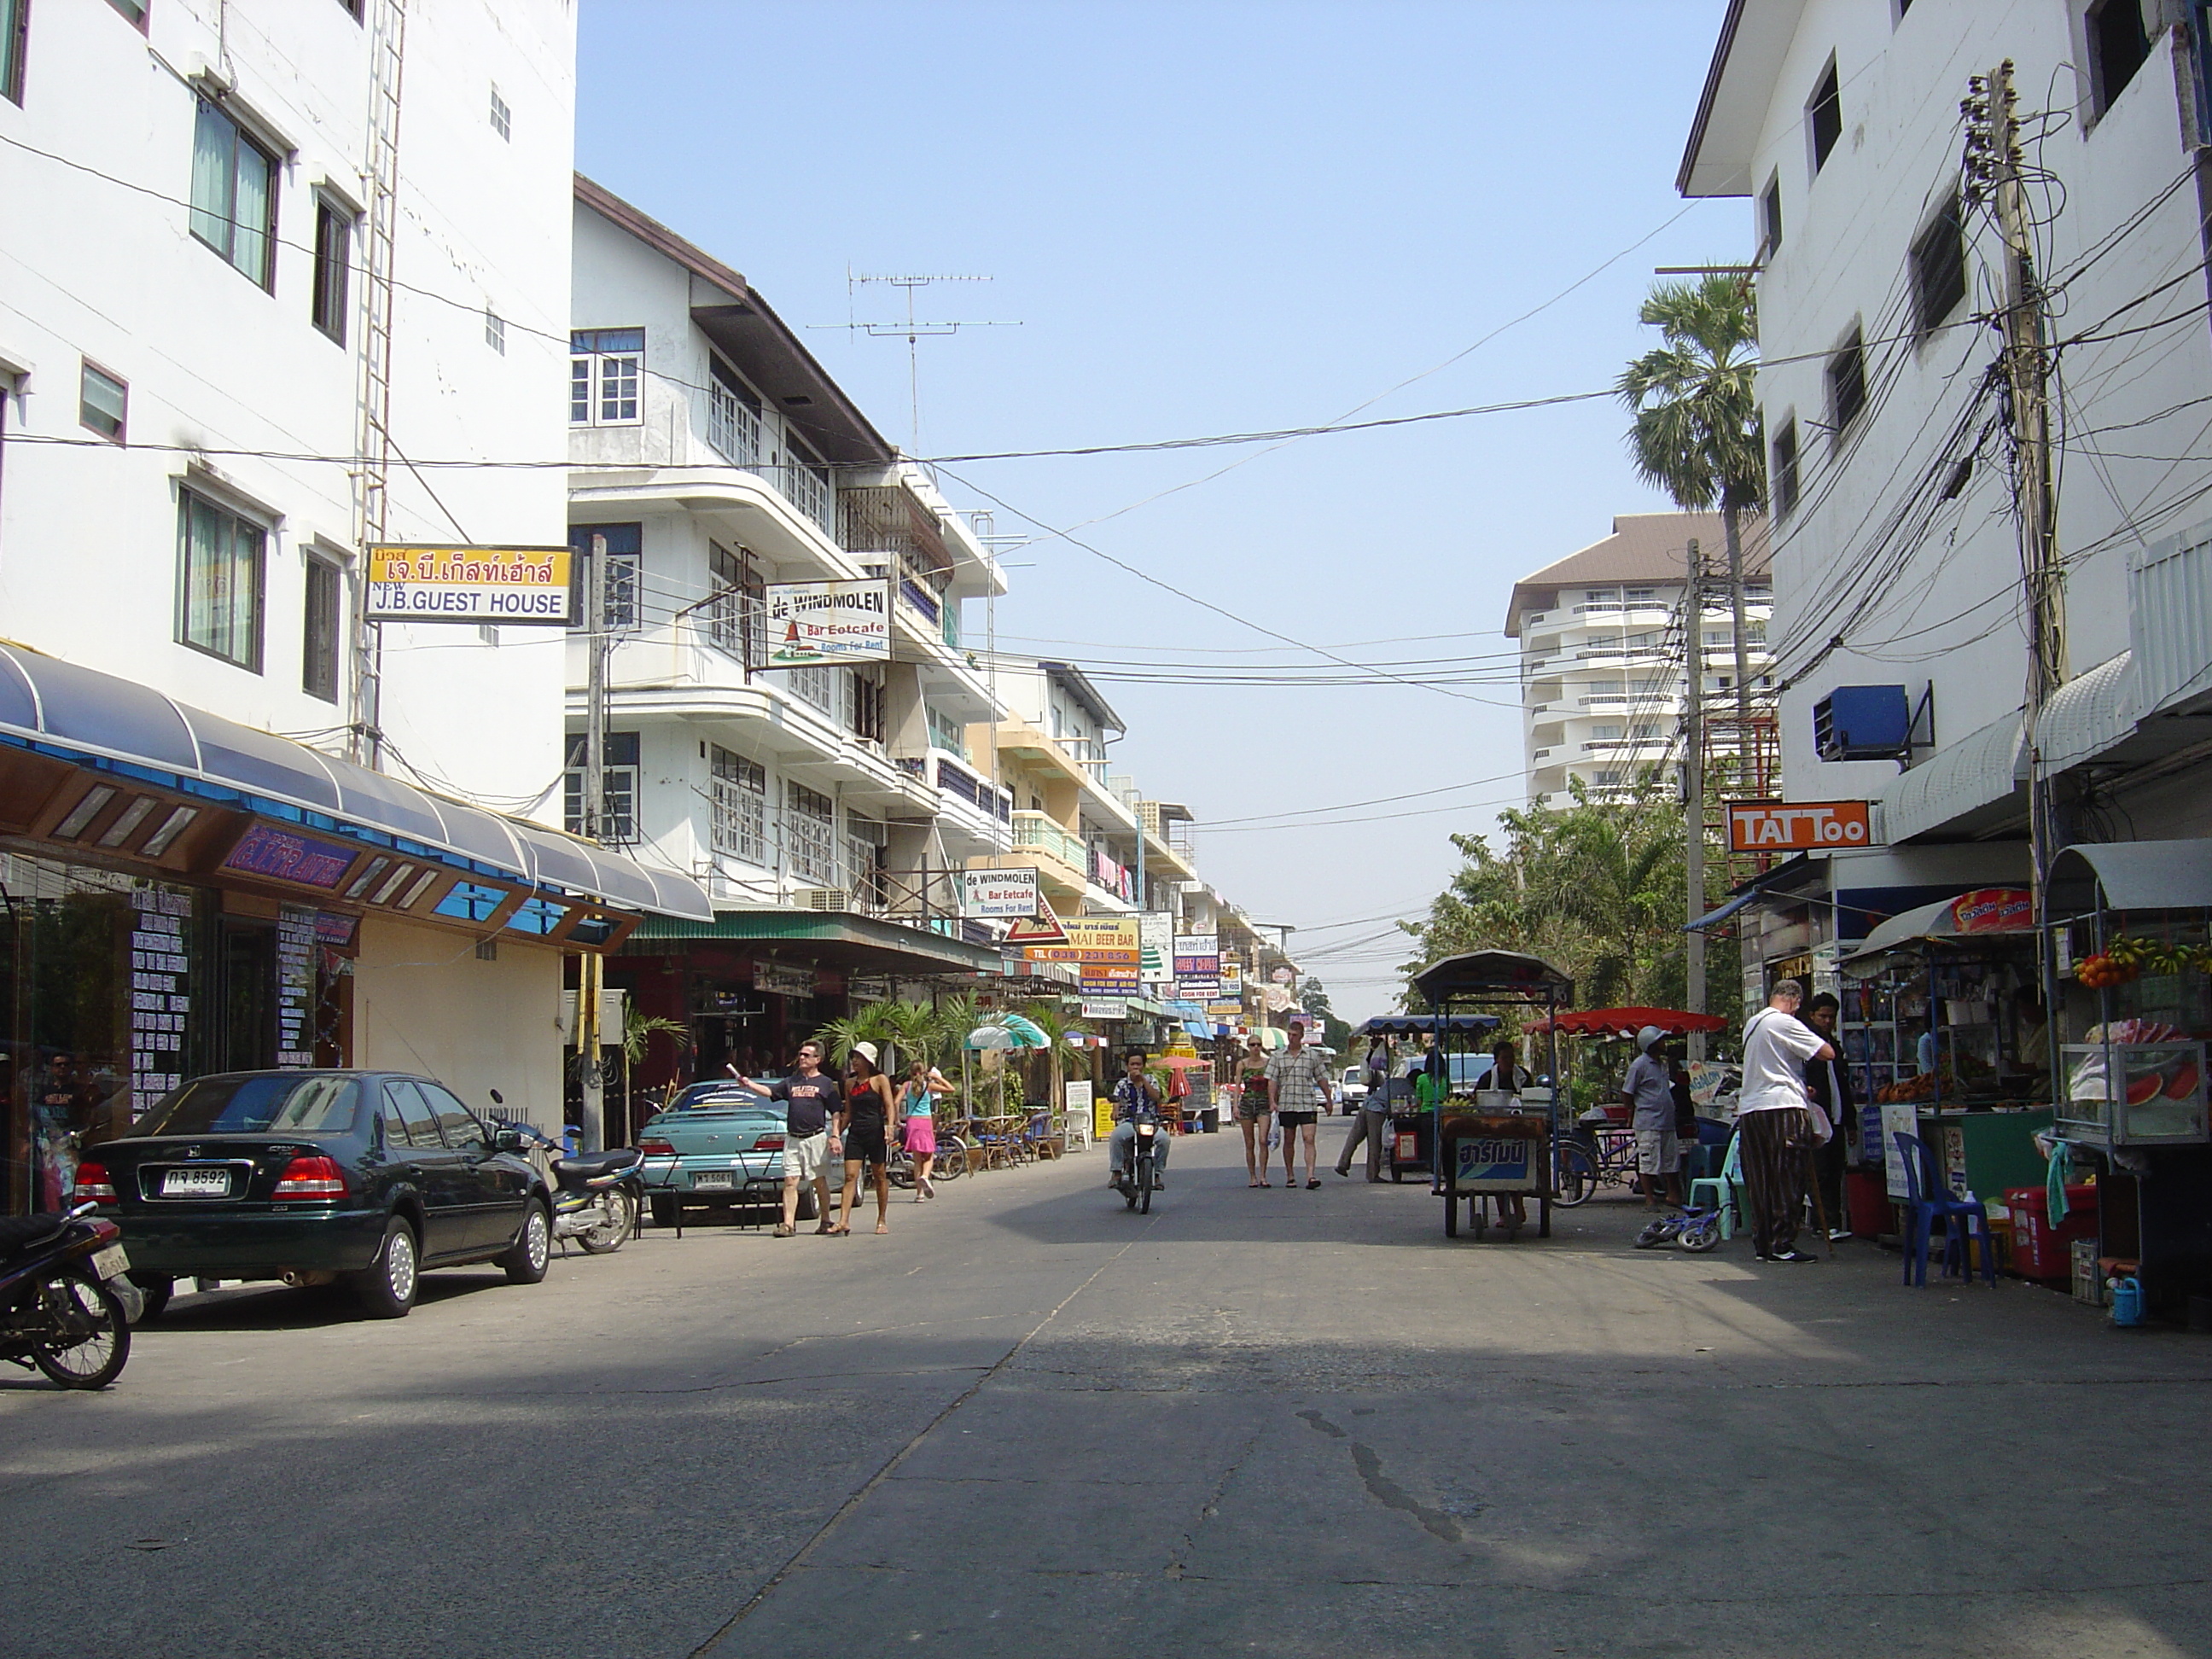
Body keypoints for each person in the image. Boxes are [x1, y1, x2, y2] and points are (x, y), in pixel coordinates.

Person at [1738, 979, 1834, 1263]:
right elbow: (1826, 1053)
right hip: (1782, 1107)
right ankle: (1783, 1243)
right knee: (1787, 1175)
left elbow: (1772, 1065)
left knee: (1760, 1178)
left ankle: (1764, 1241)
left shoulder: (1753, 1024)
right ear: (1794, 1001)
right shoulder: (1783, 1022)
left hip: (1752, 1109)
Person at [735, 1039, 841, 1238]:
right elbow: (770, 1092)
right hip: (793, 1138)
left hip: (815, 1137)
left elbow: (836, 1111)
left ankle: (825, 1220)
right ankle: (788, 1224)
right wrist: (749, 1084)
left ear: (818, 1059)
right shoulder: (792, 1081)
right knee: (790, 1181)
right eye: (801, 1054)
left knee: (819, 1181)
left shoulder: (825, 1083)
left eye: (806, 1055)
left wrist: (834, 1136)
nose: (801, 1058)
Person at [1802, 992, 1854, 1243]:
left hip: (1837, 1117)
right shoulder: (1807, 1048)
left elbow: (1843, 1086)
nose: (1827, 1021)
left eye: (1831, 1017)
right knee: (1820, 1171)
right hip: (1816, 1118)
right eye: (1822, 1016)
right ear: (1812, 1016)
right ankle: (1826, 1222)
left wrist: (1850, 1122)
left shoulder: (1834, 1047)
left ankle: (1829, 1221)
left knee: (1835, 1170)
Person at [835, 1043, 897, 1235]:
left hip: (875, 1132)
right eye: (853, 1057)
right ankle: (843, 1220)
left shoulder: (879, 1080)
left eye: (858, 1057)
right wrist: (836, 1134)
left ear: (868, 1061)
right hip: (856, 1133)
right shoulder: (849, 1083)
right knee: (850, 1176)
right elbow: (848, 1113)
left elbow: (889, 1105)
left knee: (879, 1175)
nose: (854, 1061)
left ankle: (881, 1219)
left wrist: (890, 1126)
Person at [1266, 1017, 1334, 1189]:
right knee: (1289, 1139)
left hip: (1307, 1102)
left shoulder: (1312, 1056)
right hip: (1287, 1103)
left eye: (1295, 1035)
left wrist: (1328, 1099)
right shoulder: (1278, 1056)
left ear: (1302, 1036)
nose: (1291, 1038)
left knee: (1309, 1138)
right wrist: (1272, 1101)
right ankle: (1290, 1175)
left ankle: (1311, 1175)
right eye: (1289, 1034)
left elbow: (1321, 1078)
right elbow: (1272, 1080)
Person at [1621, 1025, 1680, 1209]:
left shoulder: (1661, 1064)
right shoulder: (1639, 1065)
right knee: (1648, 1162)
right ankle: (1650, 1199)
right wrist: (1632, 1108)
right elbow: (1627, 1092)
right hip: (1649, 1123)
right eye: (1660, 1040)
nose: (1664, 1043)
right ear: (1652, 1044)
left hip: (1666, 1122)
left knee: (1671, 1162)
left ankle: (1673, 1195)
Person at [1334, 1038, 1394, 1181]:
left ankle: (1343, 1163)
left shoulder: (1369, 1058)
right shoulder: (1379, 1062)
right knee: (1375, 1142)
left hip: (1367, 1103)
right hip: (1376, 1108)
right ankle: (1372, 1174)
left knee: (1355, 1136)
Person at [1107, 1050, 1168, 1190]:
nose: (1135, 1067)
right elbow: (1117, 1100)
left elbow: (1156, 1097)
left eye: (1138, 1064)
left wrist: (1143, 1081)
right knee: (1116, 1136)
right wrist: (1115, 1111)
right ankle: (1116, 1172)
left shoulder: (1151, 1080)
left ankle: (1157, 1174)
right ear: (1127, 1066)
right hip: (1129, 1121)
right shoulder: (1122, 1084)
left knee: (1164, 1140)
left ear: (1143, 1065)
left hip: (1150, 1122)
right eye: (1132, 1064)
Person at [895, 1059, 940, 1202]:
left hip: (912, 1122)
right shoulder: (929, 1086)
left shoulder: (906, 1086)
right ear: (924, 1071)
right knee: (929, 1154)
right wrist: (937, 1078)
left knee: (917, 1159)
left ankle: (919, 1194)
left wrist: (897, 1120)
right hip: (925, 1121)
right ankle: (925, 1176)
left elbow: (896, 1102)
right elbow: (950, 1088)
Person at [1235, 1035, 1274, 1187]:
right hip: (1247, 1103)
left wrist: (1273, 1102)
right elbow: (1237, 1085)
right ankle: (1253, 1176)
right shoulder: (1243, 1064)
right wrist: (1235, 1106)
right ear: (1248, 1047)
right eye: (1252, 1045)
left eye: (1258, 1045)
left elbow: (1272, 1083)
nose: (1255, 1048)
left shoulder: (1268, 1063)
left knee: (1263, 1140)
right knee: (1249, 1143)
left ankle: (1263, 1175)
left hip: (1263, 1103)